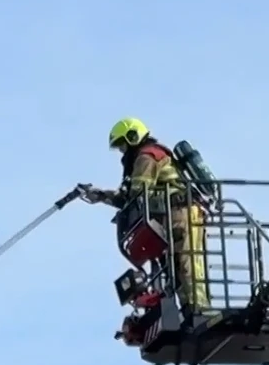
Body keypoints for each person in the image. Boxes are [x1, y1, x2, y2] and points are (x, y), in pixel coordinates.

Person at [85, 117, 208, 314]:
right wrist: (102, 196)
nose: (122, 151)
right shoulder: (147, 155)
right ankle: (189, 309)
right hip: (173, 215)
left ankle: (198, 310)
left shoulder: (147, 156)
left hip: (181, 213)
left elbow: (137, 193)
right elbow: (132, 197)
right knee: (175, 266)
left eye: (122, 145)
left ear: (133, 137)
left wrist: (114, 202)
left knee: (187, 263)